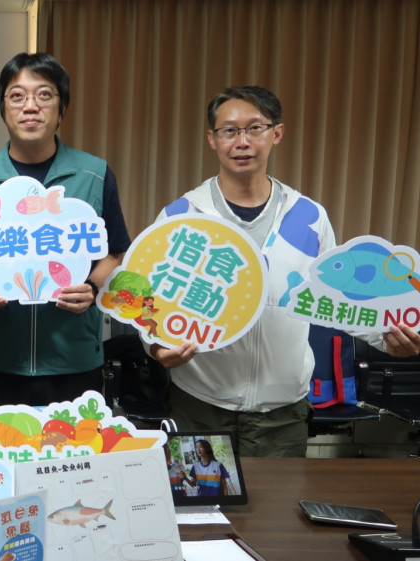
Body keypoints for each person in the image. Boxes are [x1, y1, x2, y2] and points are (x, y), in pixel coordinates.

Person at [150, 85, 420, 456]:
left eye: (254, 128)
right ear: (212, 139)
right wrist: (155, 345)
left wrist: (387, 337)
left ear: (277, 133)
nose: (242, 141)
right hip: (198, 404)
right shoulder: (181, 216)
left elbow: (335, 301)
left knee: (278, 498)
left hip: (282, 413)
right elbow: (149, 302)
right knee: (204, 495)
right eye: (229, 131)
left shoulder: (309, 217)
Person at [0, 53, 131, 409]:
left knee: (74, 446)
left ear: (62, 108)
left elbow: (115, 251)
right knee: (0, 443)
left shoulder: (94, 174)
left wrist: (92, 287)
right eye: (17, 96)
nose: (30, 106)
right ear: (3, 108)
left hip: (74, 358)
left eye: (44, 94)